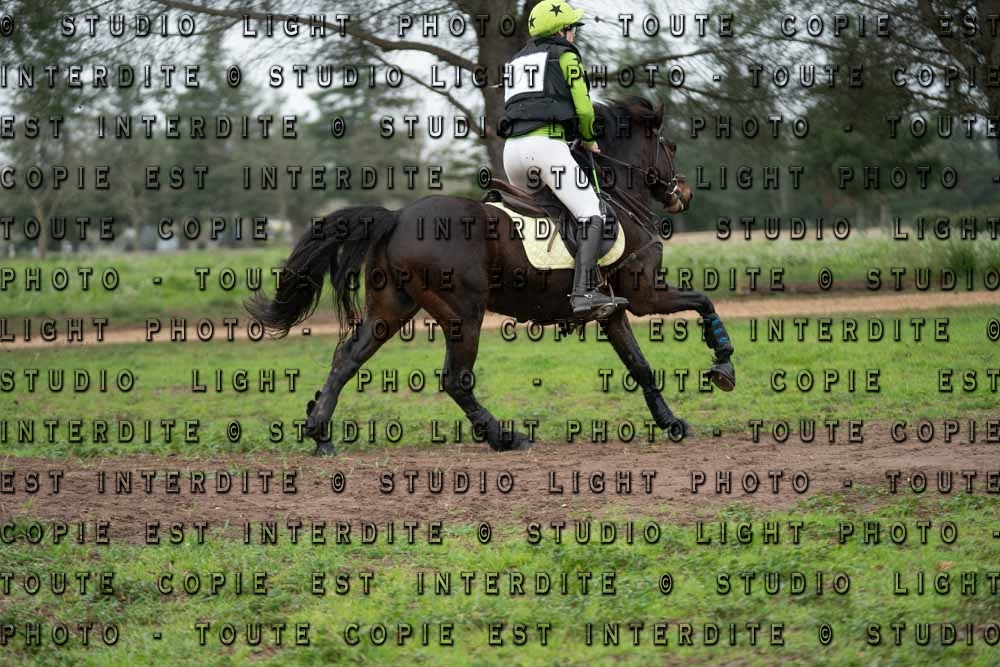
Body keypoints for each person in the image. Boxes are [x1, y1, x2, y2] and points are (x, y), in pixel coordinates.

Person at [502, 0, 628, 319]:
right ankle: (584, 293)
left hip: (512, 153)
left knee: (548, 217)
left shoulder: (515, 61)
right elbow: (584, 108)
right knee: (591, 214)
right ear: (562, 30)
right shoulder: (566, 56)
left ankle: (546, 291)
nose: (575, 34)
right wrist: (588, 139)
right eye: (573, 28)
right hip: (546, 148)